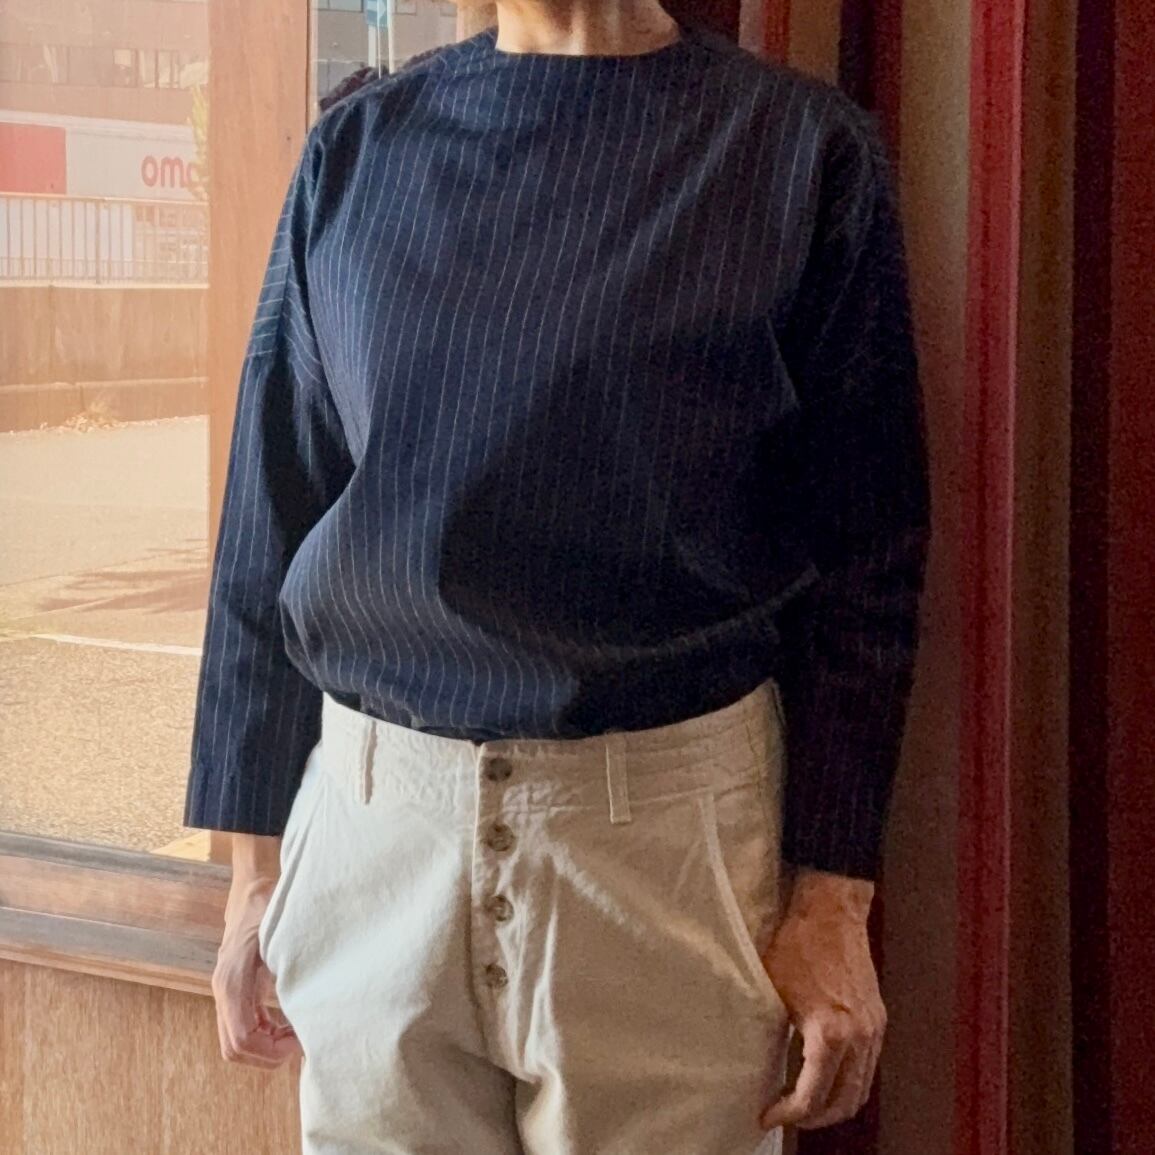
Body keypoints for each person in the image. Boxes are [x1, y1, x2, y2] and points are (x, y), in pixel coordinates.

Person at [184, 1, 931, 1151]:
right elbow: (270, 512)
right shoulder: (358, 149)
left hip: (666, 853)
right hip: (373, 835)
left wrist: (833, 897)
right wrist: (252, 871)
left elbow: (869, 558)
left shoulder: (799, 154)